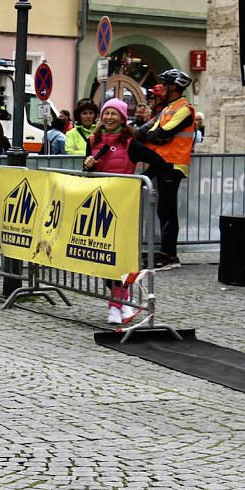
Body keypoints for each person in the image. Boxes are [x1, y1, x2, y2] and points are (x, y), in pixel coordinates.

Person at [82, 98, 168, 324]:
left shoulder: (130, 143)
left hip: (124, 207)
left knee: (121, 258)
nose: (109, 117)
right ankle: (121, 302)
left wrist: (140, 182)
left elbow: (159, 163)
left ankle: (117, 305)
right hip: (100, 207)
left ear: (122, 118)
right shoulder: (92, 140)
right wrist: (87, 166)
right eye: (106, 113)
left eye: (114, 114)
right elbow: (86, 169)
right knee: (103, 257)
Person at [145, 68, 196, 271]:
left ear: (174, 86)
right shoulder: (168, 109)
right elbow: (151, 134)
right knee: (163, 209)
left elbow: (164, 132)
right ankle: (168, 253)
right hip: (163, 162)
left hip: (175, 164)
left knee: (167, 210)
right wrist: (158, 135)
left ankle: (169, 255)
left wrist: (159, 135)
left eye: (165, 84)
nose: (163, 88)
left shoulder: (184, 108)